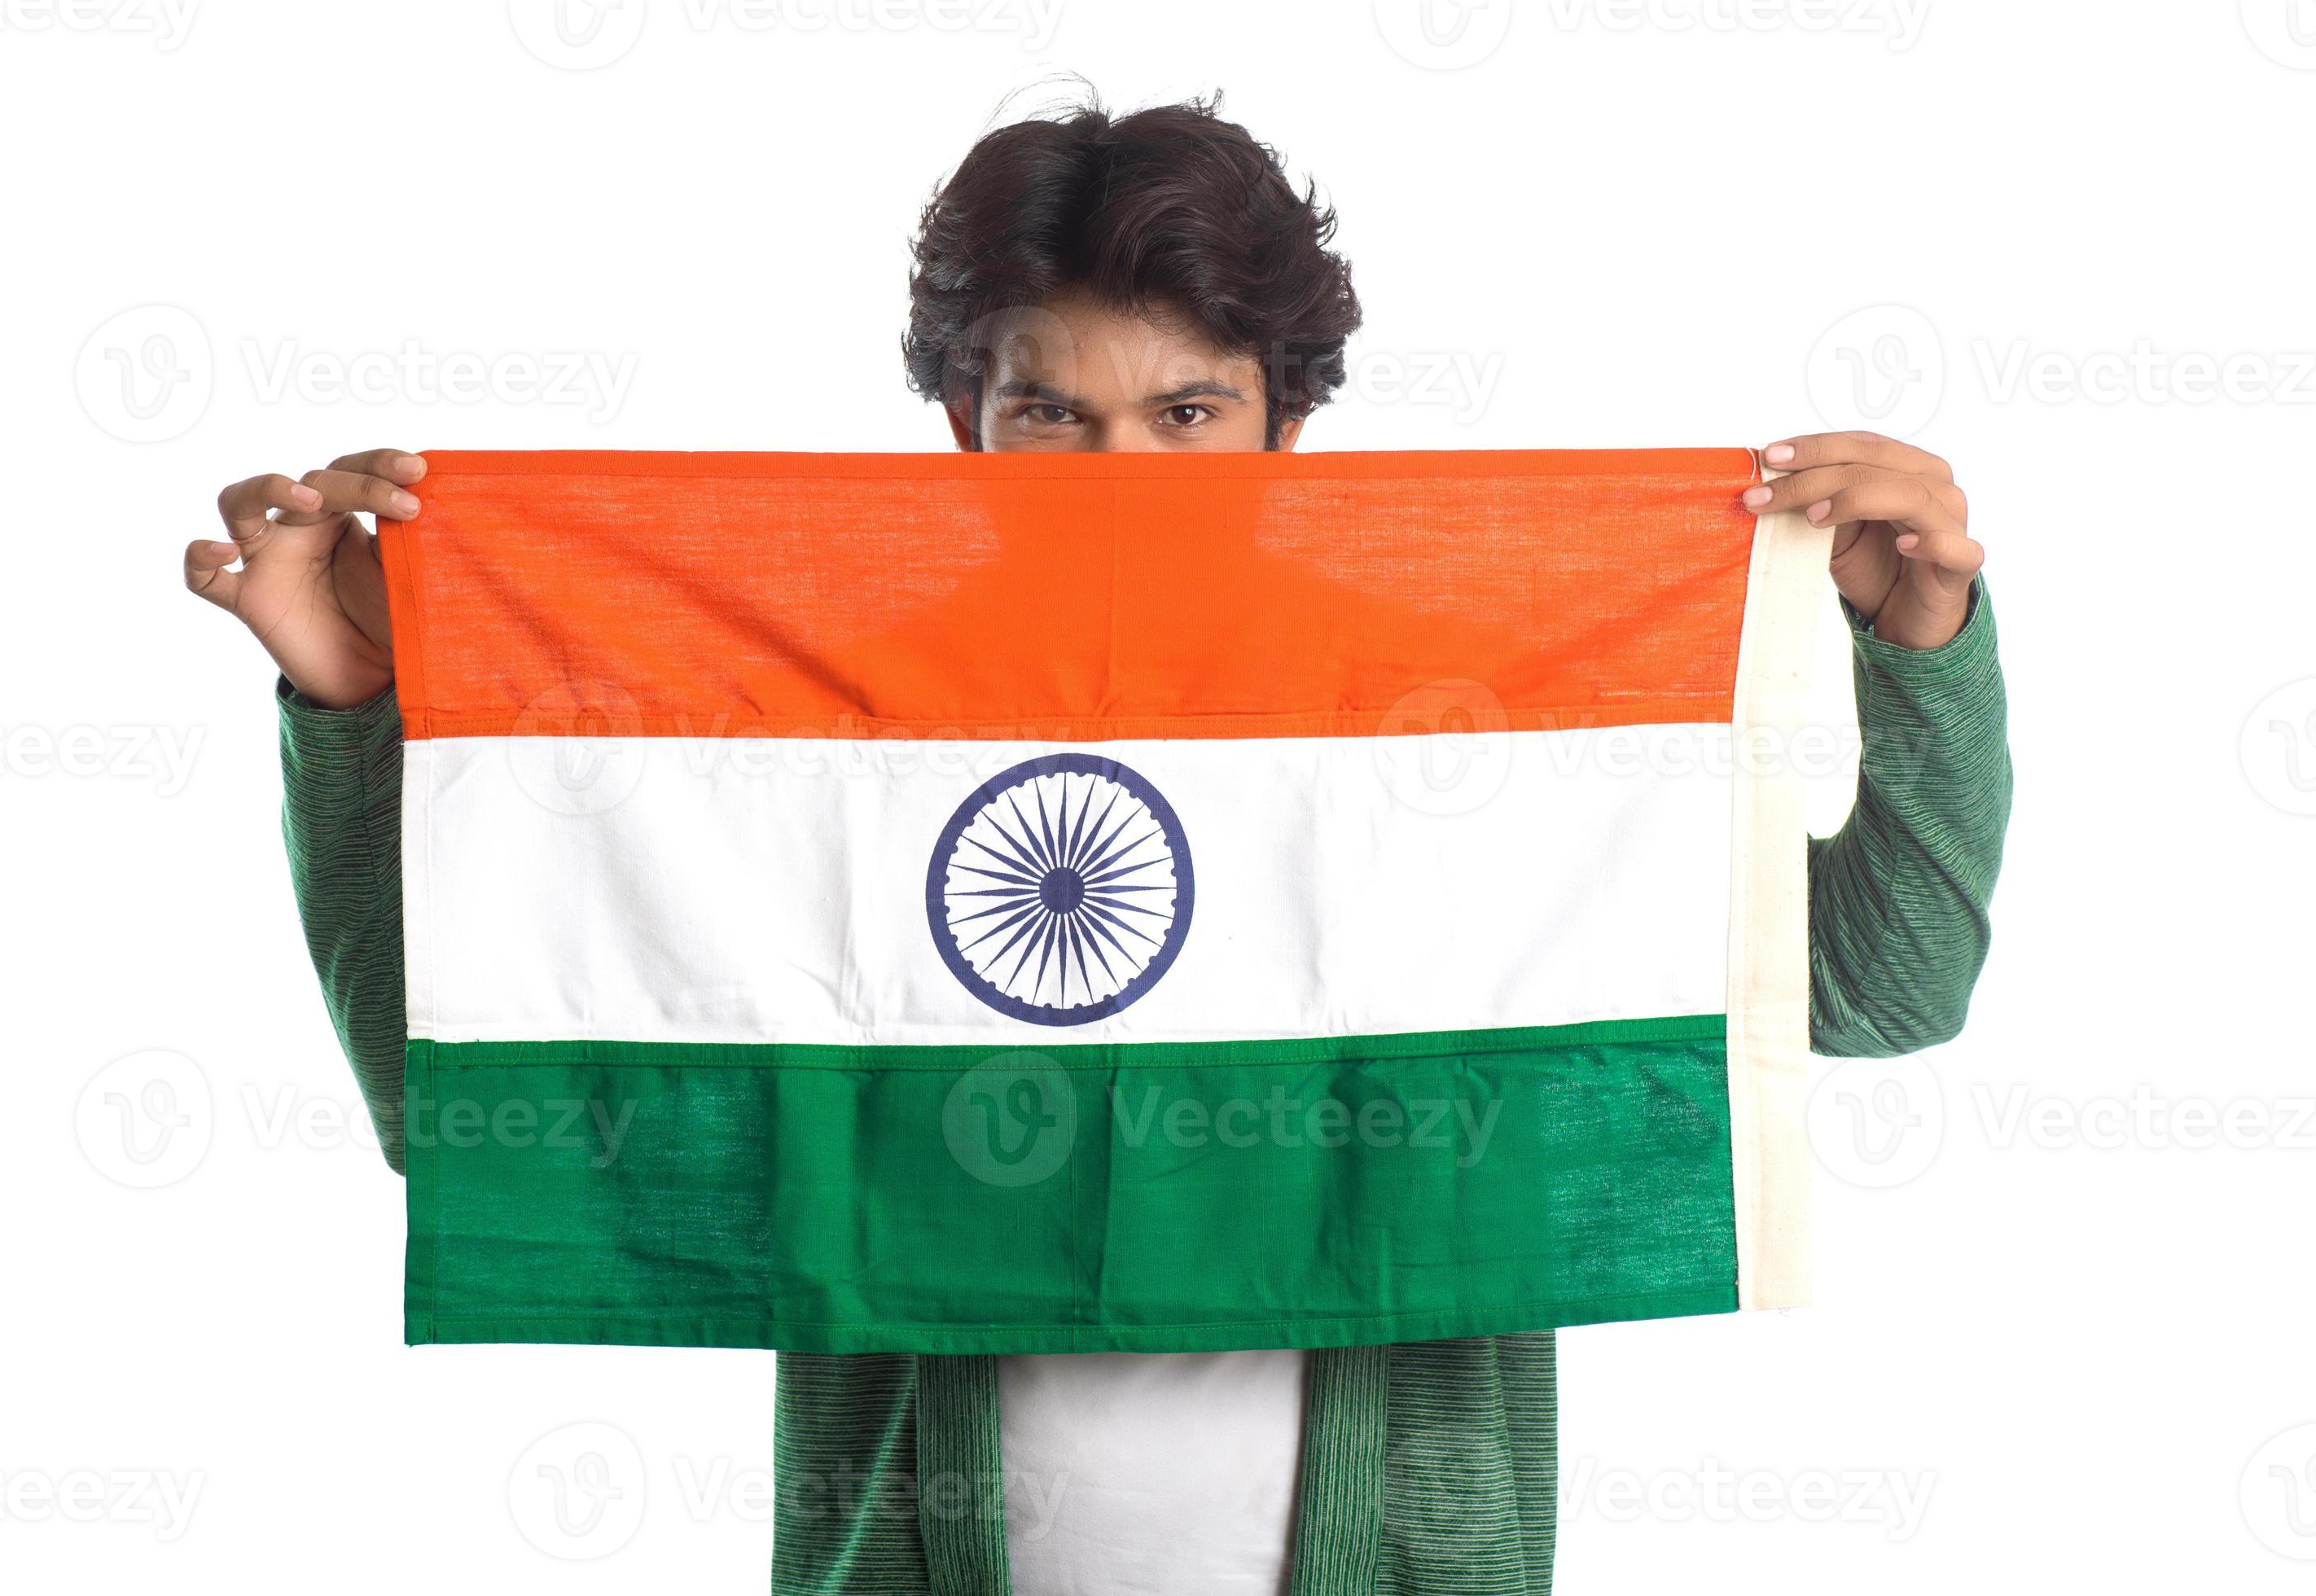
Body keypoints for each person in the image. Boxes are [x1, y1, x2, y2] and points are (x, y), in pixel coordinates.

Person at [185, 95, 2011, 1596]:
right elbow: (477, 1104)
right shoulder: (816, 752)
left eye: (1186, 414)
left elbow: (1875, 987)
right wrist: (358, 713)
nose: (1118, 480)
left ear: (1289, 433)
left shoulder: (1451, 736)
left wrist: (1916, 648)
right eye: (1050, 413)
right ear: (960, 430)